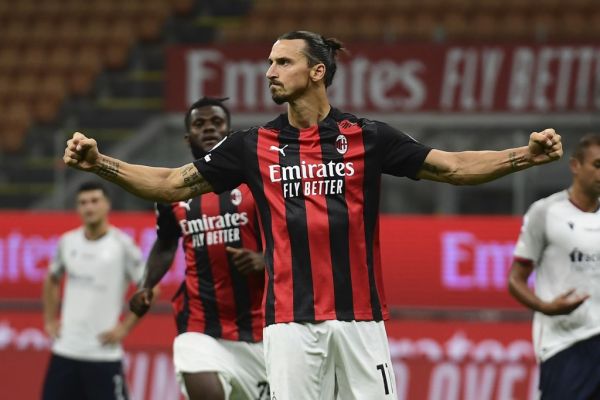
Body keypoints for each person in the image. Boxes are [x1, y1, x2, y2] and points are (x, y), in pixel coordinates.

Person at [63, 31, 563, 399]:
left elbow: (452, 167)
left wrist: (524, 156)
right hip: (288, 326)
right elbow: (173, 183)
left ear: (317, 71)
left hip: (361, 321)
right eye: (269, 63)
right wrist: (100, 164)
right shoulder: (250, 146)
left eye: (282, 62)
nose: (270, 72)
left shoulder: (368, 137)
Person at [128, 97, 268, 400]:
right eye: (199, 124)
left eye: (216, 122)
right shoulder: (173, 190)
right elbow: (166, 243)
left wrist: (264, 260)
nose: (209, 129)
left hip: (264, 328)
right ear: (188, 136)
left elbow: (293, 239)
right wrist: (146, 285)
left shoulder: (255, 182)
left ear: (229, 130)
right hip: (200, 323)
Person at [508, 133, 600, 399]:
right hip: (565, 344)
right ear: (575, 166)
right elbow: (515, 280)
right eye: (597, 165)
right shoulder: (545, 212)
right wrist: (547, 307)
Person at [41, 181, 145, 400]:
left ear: (107, 205)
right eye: (83, 203)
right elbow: (52, 278)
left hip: (103, 354)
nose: (89, 207)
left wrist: (124, 328)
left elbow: (150, 289)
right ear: (77, 208)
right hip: (65, 351)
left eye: (95, 201)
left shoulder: (122, 245)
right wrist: (50, 320)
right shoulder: (67, 242)